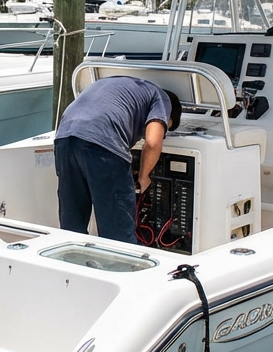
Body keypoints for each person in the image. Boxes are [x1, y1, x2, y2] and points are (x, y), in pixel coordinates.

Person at [54, 76, 182, 243]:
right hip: (103, 145)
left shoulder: (115, 84)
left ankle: (71, 257)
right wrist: (144, 177)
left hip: (64, 139)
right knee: (117, 234)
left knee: (72, 224)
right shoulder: (161, 97)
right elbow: (152, 142)